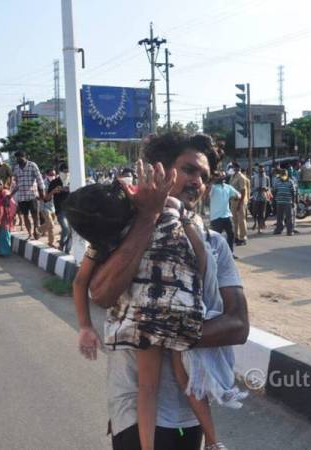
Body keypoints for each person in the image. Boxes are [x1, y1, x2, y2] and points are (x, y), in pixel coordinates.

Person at [78, 133, 250, 450]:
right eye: (189, 169)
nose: (197, 181)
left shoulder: (214, 243)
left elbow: (238, 325)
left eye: (204, 176)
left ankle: (214, 441)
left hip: (187, 416)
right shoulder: (123, 231)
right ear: (160, 170)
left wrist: (165, 333)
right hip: (132, 411)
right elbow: (100, 294)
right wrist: (147, 217)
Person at [11, 151, 44, 241]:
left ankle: (36, 230)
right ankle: (29, 233)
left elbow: (39, 179)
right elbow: (17, 183)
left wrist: (42, 191)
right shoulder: (16, 168)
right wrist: (11, 194)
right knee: (25, 215)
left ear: (25, 157)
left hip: (32, 195)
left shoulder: (32, 165)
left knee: (35, 215)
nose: (18, 159)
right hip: (21, 196)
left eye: (20, 157)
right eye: (17, 157)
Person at [209, 172, 241, 255]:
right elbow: (206, 195)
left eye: (222, 176)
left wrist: (236, 197)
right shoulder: (213, 187)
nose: (221, 177)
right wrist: (211, 182)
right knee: (215, 237)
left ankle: (230, 253)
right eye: (219, 176)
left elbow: (238, 195)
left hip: (227, 215)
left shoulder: (228, 187)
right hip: (216, 217)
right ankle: (214, 254)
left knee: (231, 234)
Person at [48, 163, 71, 252]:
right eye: (64, 172)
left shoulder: (73, 180)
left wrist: (69, 189)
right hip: (60, 210)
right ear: (60, 172)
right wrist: (54, 191)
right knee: (65, 229)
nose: (66, 174)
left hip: (72, 209)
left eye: (68, 172)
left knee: (71, 232)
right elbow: (47, 197)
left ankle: (67, 250)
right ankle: (61, 246)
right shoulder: (54, 182)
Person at [229, 163, 249, 246]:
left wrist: (240, 203)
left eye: (234, 167)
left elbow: (243, 191)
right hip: (233, 200)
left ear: (238, 168)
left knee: (241, 220)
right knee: (234, 220)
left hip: (240, 200)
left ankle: (243, 238)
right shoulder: (233, 176)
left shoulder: (241, 177)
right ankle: (236, 237)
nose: (232, 168)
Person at [272, 169, 296, 236]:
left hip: (288, 202)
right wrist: (274, 200)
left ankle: (290, 231)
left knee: (289, 217)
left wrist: (293, 202)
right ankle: (279, 230)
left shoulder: (291, 182)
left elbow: (293, 192)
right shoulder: (277, 182)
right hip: (279, 201)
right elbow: (275, 191)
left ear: (287, 175)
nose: (283, 176)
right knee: (279, 217)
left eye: (285, 174)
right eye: (282, 174)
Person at [39, 168, 57, 247]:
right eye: (51, 175)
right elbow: (45, 198)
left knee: (50, 226)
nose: (53, 176)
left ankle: (38, 230)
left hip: (53, 206)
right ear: (47, 175)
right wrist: (53, 191)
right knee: (51, 225)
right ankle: (51, 242)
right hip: (44, 206)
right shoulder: (44, 184)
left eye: (54, 175)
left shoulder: (57, 182)